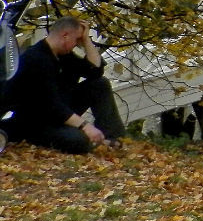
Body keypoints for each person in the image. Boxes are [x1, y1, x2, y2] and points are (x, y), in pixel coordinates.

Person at [2, 16, 125, 153]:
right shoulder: (36, 59)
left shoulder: (64, 56)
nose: (76, 44)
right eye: (76, 40)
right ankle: (95, 142)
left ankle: (114, 139)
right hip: (38, 121)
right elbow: (52, 106)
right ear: (65, 35)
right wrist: (85, 126)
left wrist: (86, 41)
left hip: (62, 110)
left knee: (100, 84)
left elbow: (95, 71)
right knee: (79, 140)